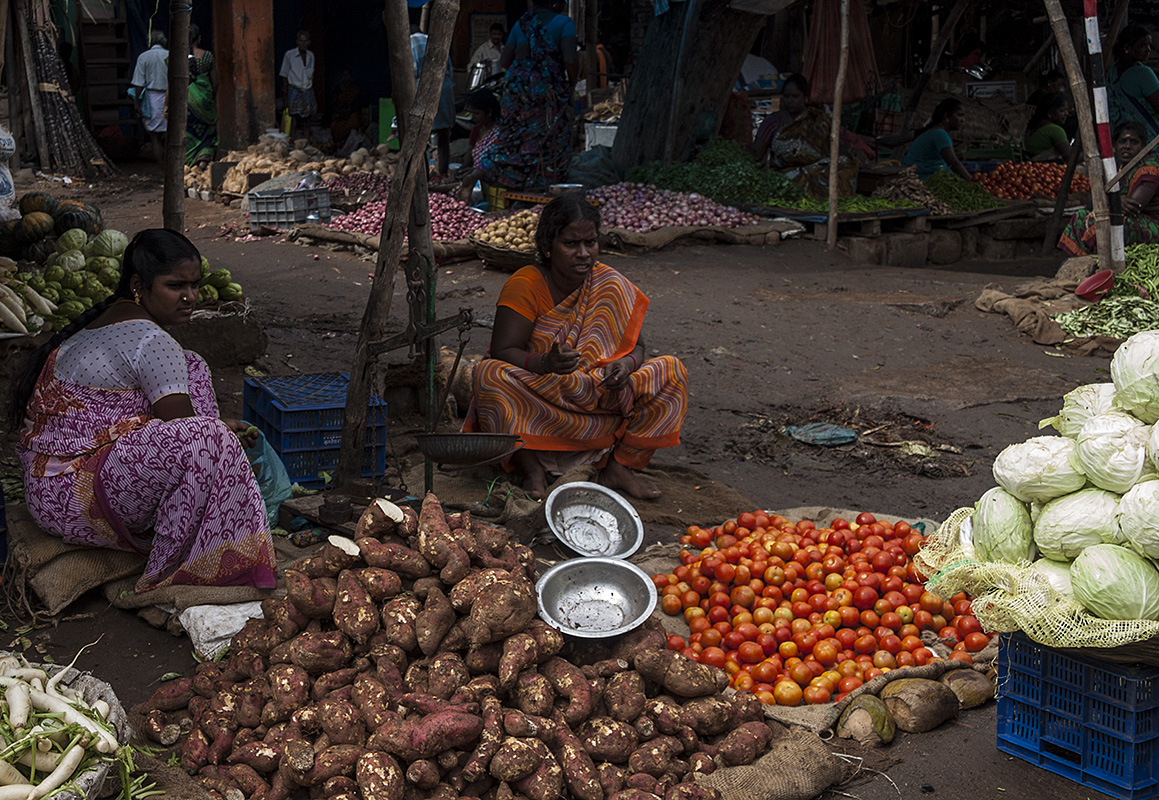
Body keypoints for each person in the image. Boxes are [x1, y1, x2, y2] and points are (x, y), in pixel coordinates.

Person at [7, 229, 277, 593]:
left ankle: (193, 515)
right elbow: (191, 437)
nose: (190, 297)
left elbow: (175, 426)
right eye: (175, 285)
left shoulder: (101, 323)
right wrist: (219, 434)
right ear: (139, 284)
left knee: (193, 372)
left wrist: (213, 428)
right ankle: (183, 556)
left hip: (48, 494)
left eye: (195, 285)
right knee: (210, 439)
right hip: (80, 501)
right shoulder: (152, 341)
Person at [464, 194, 689, 501]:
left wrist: (625, 366)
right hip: (543, 392)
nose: (583, 253)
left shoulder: (609, 283)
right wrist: (546, 363)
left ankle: (618, 465)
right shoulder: (526, 284)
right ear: (547, 246)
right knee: (489, 374)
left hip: (599, 393)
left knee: (671, 371)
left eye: (591, 243)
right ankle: (531, 468)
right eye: (571, 244)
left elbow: (638, 348)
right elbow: (503, 350)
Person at [479, 0, 578, 189]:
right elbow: (570, 60)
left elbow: (505, 60)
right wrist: (570, 83)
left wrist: (525, 73)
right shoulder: (565, 23)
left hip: (517, 88)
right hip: (546, 90)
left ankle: (499, 178)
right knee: (550, 136)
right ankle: (543, 185)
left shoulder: (521, 23)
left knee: (513, 137)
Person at [749, 73, 857, 200]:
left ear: (805, 98)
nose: (790, 101)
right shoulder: (773, 122)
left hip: (817, 168)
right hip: (785, 173)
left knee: (845, 163)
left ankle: (833, 203)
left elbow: (835, 145)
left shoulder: (818, 120)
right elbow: (756, 154)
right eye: (787, 96)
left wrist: (853, 151)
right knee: (794, 178)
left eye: (795, 96)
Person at [1059, 122, 1159, 256]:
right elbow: (1091, 202)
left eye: (1134, 142)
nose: (1127, 146)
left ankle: (1102, 263)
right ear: (1115, 146)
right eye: (1122, 142)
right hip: (1119, 214)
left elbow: (1134, 207)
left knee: (1107, 223)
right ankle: (1085, 262)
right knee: (1081, 216)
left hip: (1150, 223)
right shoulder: (1114, 167)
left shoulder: (1150, 167)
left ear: (1143, 147)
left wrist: (1112, 201)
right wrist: (1115, 201)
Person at [410, 23, 455, 177]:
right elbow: (450, 70)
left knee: (420, 137)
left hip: (426, 91)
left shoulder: (410, 44)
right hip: (445, 89)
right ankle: (443, 173)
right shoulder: (436, 42)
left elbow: (412, 72)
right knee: (443, 136)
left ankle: (424, 177)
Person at [1109, 26, 1159, 143]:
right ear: (1127, 47)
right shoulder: (1143, 74)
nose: (1148, 50)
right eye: (1142, 45)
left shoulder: (1111, 74)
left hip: (1120, 141)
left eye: (1149, 45)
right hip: (1150, 142)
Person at [901, 98, 972, 181]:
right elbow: (953, 163)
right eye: (959, 115)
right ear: (946, 116)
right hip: (922, 178)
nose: (963, 120)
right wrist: (973, 182)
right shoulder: (939, 134)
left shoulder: (937, 131)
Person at [131, 31, 168, 167]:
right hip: (169, 97)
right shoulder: (170, 55)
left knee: (154, 137)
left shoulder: (144, 57)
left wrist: (136, 104)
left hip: (152, 99)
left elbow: (139, 84)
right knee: (170, 135)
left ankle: (163, 170)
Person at [457, 89, 501, 202]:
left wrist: (475, 172)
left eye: (477, 113)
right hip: (476, 180)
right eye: (471, 113)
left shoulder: (500, 133)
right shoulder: (476, 131)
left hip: (492, 180)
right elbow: (468, 159)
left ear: (489, 112)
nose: (473, 117)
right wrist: (461, 171)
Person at [185, 24, 219, 168]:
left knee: (188, 133)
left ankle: (188, 165)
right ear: (199, 38)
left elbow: (171, 84)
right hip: (205, 102)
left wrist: (166, 105)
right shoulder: (207, 56)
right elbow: (215, 82)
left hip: (186, 105)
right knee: (208, 133)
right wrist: (209, 99)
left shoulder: (177, 58)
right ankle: (203, 160)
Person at [280, 30, 317, 140]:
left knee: (307, 120)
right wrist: (285, 96)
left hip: (307, 90)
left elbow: (311, 74)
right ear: (297, 42)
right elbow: (284, 75)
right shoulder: (289, 55)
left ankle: (306, 143)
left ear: (309, 42)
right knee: (293, 120)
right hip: (294, 89)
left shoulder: (311, 56)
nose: (303, 43)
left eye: (305, 41)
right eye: (301, 41)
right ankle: (292, 142)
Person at [1024, 93, 1072, 162]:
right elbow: (1070, 159)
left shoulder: (1032, 126)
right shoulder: (1055, 130)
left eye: (1066, 110)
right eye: (1062, 111)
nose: (1066, 114)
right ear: (1050, 113)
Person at [329, 68, 364, 146]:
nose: (345, 77)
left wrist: (349, 110)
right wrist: (341, 112)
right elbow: (334, 104)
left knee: (355, 121)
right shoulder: (337, 90)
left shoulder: (354, 89)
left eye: (347, 75)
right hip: (341, 115)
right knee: (334, 125)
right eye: (343, 75)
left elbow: (357, 104)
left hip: (351, 114)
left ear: (350, 76)